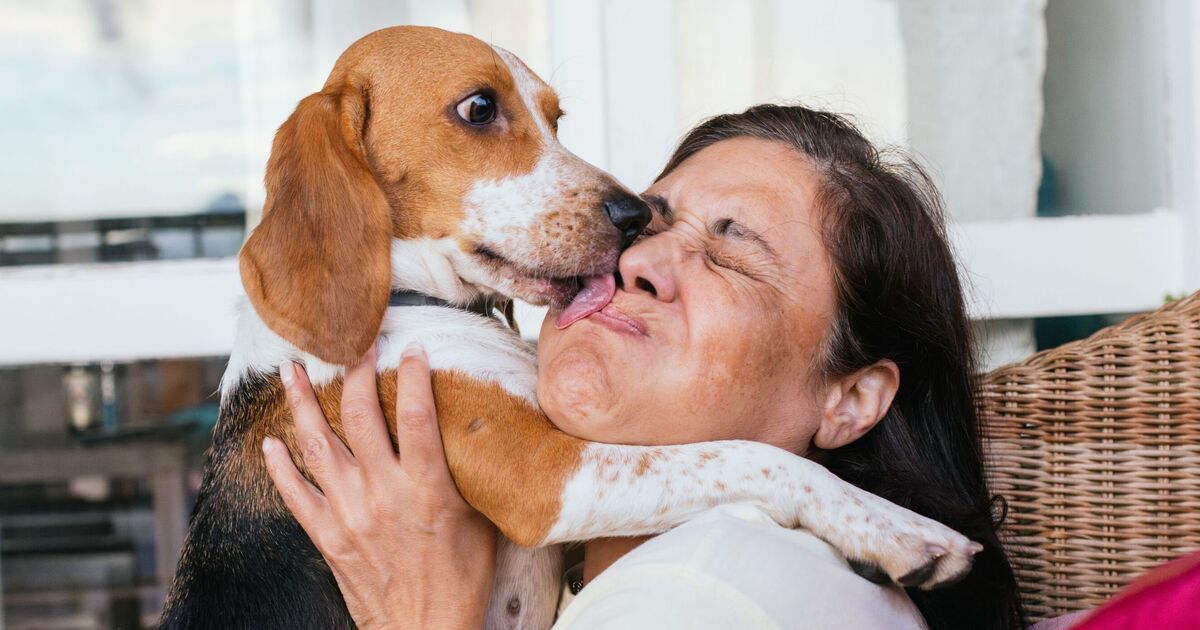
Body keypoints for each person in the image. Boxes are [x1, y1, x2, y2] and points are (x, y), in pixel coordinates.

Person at [261, 105, 1027, 629]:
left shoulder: (704, 592)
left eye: (732, 252)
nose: (644, 262)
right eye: (644, 224)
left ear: (851, 399)